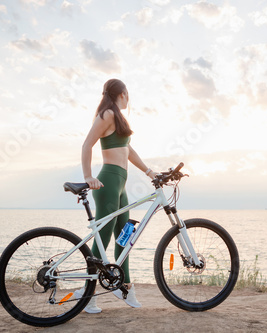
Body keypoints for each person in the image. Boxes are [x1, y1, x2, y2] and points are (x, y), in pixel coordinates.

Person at [77, 78, 157, 313]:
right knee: (101, 240)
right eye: (127, 93)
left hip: (121, 184)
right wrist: (88, 176)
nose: (128, 98)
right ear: (120, 94)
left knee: (125, 236)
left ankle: (124, 286)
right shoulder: (106, 115)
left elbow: (128, 149)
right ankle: (88, 295)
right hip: (108, 182)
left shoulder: (117, 117)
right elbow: (86, 145)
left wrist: (149, 171)